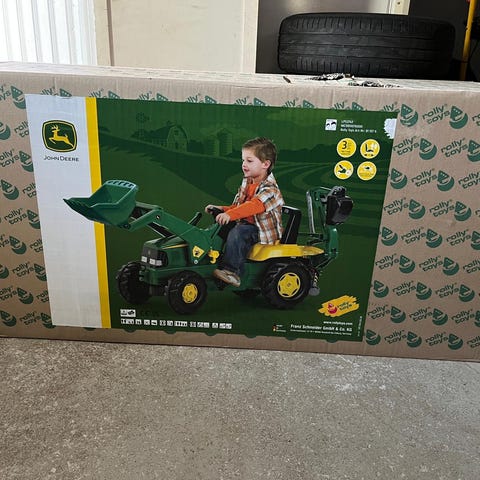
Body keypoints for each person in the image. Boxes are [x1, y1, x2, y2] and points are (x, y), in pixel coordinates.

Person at [205, 137, 284, 287]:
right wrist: (222, 209)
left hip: (261, 231)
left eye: (249, 161)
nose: (244, 164)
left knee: (238, 233)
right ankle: (212, 260)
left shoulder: (270, 189)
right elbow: (238, 206)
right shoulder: (248, 182)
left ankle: (232, 272)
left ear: (265, 164)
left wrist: (229, 215)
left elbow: (253, 206)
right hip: (245, 224)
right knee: (219, 228)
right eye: (243, 160)